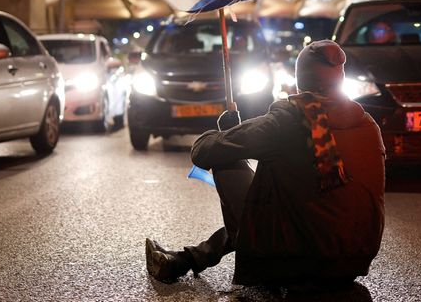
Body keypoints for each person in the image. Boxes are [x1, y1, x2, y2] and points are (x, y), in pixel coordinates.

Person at [145, 40, 386, 290]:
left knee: (227, 160)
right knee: (290, 198)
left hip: (299, 261)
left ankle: (188, 260)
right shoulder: (367, 123)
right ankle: (189, 258)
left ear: (301, 80)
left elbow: (203, 152)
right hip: (354, 260)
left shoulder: (289, 119)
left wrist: (229, 132)